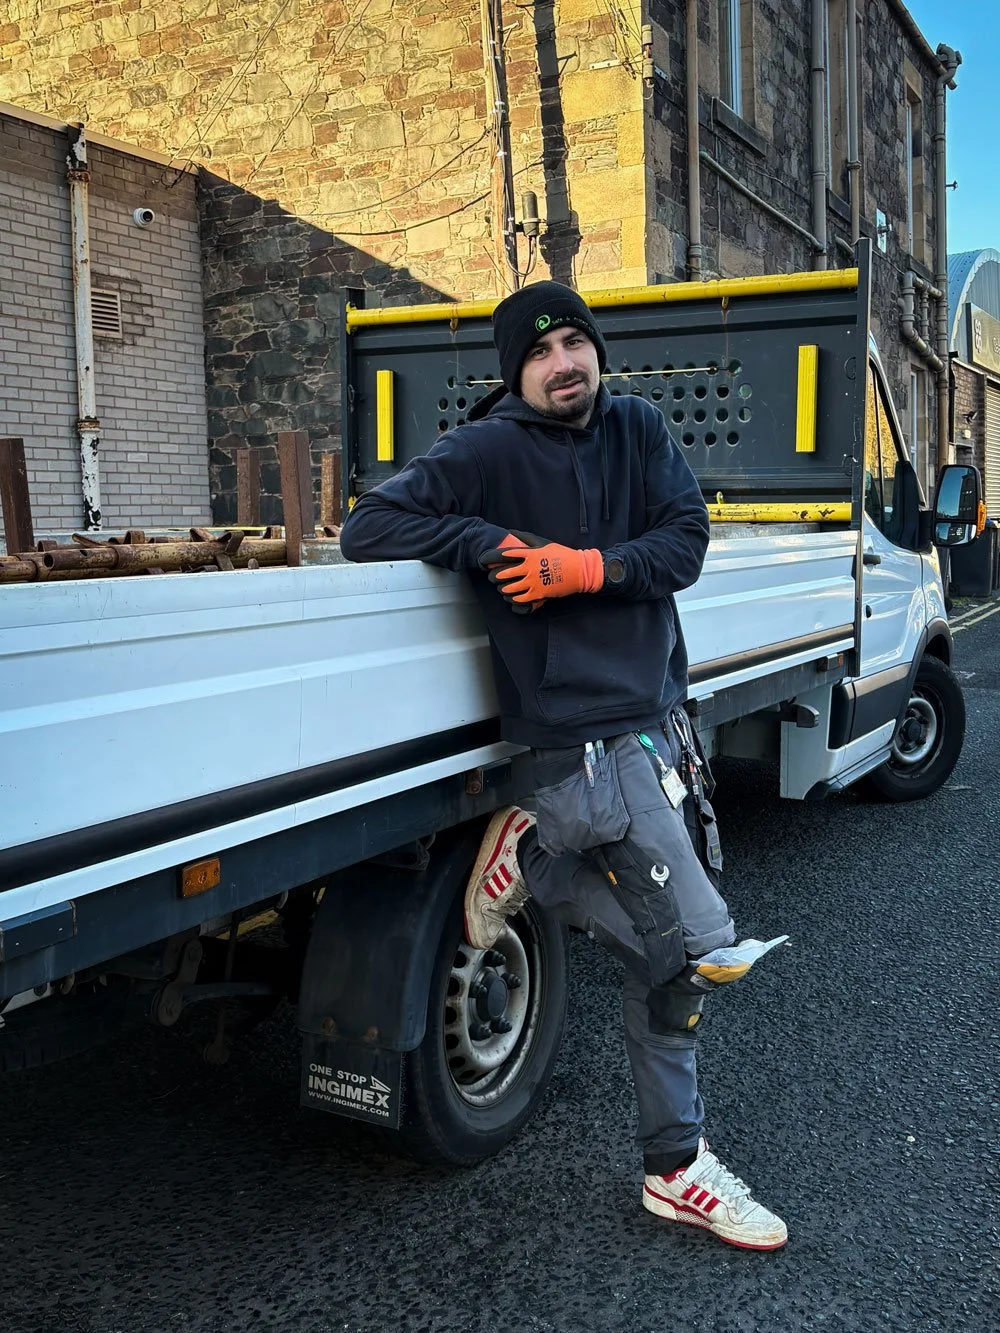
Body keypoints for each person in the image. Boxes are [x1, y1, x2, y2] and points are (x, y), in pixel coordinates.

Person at [339, 280, 788, 1251]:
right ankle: (676, 1167)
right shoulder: (486, 449)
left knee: (669, 963)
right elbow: (366, 528)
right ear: (516, 371)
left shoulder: (636, 427)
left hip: (653, 721)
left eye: (576, 342)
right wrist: (486, 542)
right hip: (565, 736)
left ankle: (534, 862)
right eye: (541, 353)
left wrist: (584, 568)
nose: (564, 362)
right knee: (697, 952)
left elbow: (685, 543)